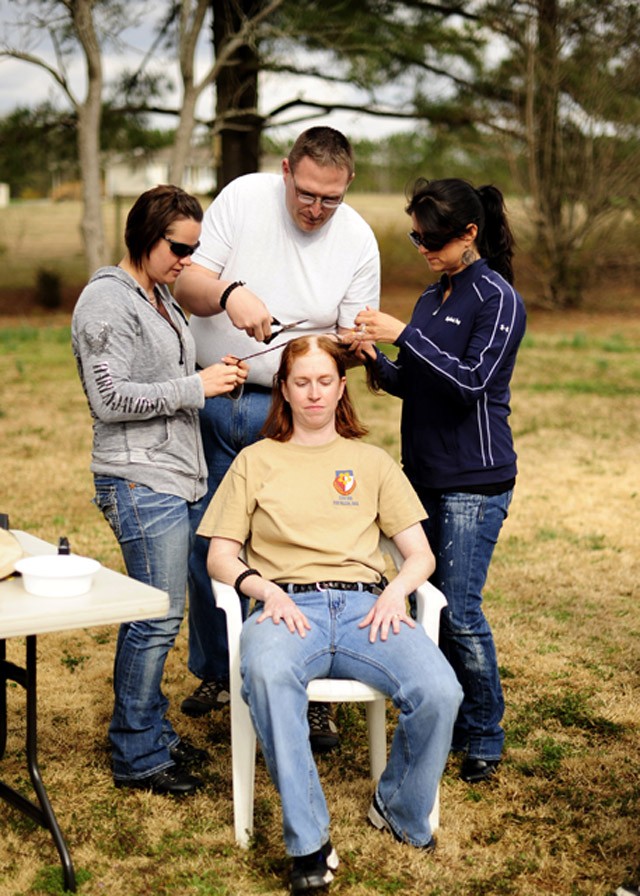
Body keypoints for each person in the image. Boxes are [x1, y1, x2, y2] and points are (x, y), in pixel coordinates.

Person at [197, 335, 463, 893]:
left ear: (341, 387)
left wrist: (398, 593)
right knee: (268, 675)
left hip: (371, 608)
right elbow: (220, 555)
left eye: (325, 381)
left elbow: (420, 553)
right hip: (288, 605)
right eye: (301, 382)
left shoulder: (371, 462)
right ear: (284, 391)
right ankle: (310, 843)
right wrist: (262, 590)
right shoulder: (255, 460)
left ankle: (396, 807)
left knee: (441, 691)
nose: (314, 393)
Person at [173, 126, 381, 750]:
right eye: (308, 194)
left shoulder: (359, 240)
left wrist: (339, 345)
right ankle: (218, 669)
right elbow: (186, 285)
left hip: (295, 411)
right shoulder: (242, 198)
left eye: (331, 199)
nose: (316, 209)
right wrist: (230, 294)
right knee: (209, 542)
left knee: (298, 547)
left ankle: (307, 682)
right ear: (287, 170)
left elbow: (349, 345)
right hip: (220, 397)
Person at [348, 177, 526, 784]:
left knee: (460, 610)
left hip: (473, 481)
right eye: (416, 235)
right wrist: (376, 359)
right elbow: (417, 383)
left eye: (432, 238)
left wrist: (403, 335)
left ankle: (484, 732)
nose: (422, 247)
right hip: (418, 474)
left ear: (468, 235)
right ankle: (446, 714)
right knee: (427, 600)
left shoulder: (498, 300)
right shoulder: (432, 297)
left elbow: (471, 382)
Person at [71, 185, 248, 796]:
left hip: (174, 475)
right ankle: (136, 753)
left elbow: (169, 376)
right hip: (138, 479)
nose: (186, 262)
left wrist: (213, 379)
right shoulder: (104, 303)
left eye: (194, 250)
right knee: (155, 617)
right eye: (179, 248)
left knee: (160, 615)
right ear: (144, 235)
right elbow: (110, 398)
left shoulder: (163, 297)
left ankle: (148, 727)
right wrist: (197, 386)